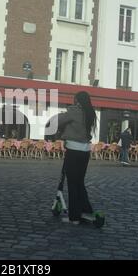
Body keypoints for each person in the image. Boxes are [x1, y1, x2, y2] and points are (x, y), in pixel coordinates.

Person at [57, 91, 98, 225]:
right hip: (85, 151)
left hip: (73, 150)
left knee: (72, 183)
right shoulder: (90, 113)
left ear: (77, 100)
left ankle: (74, 217)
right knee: (80, 182)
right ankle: (85, 210)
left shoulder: (74, 111)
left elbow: (59, 120)